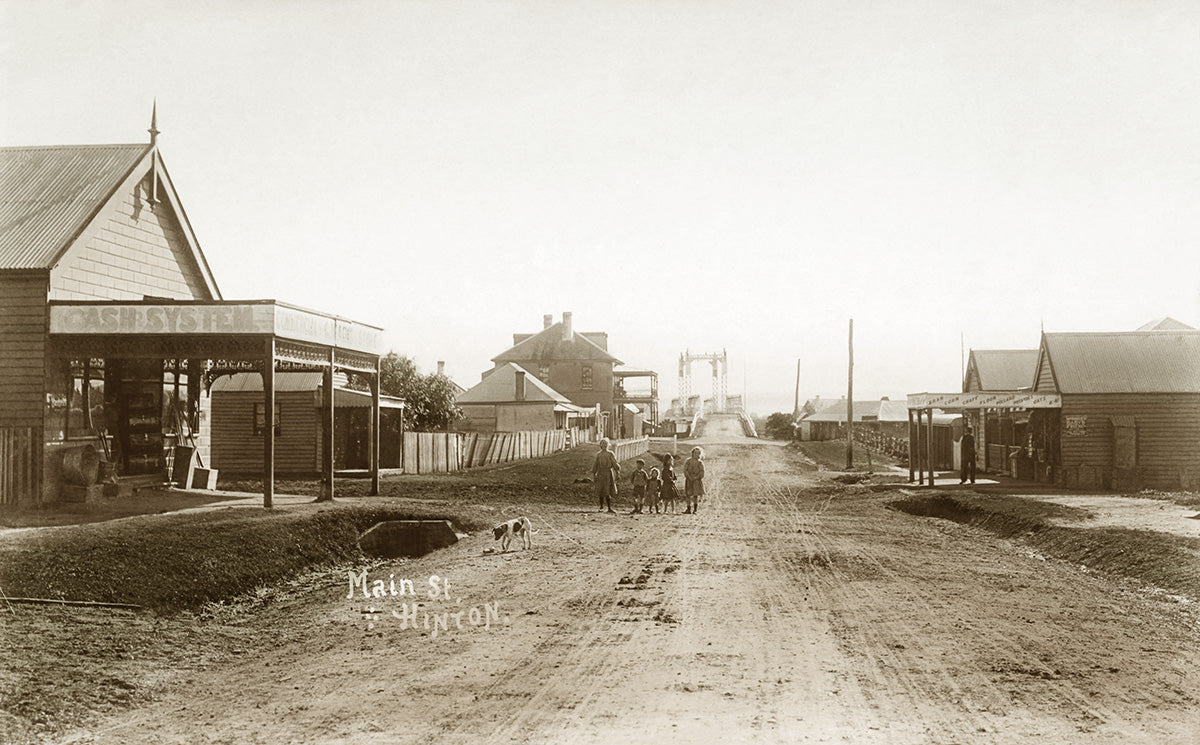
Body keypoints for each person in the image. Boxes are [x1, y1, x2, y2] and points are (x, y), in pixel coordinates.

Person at [592, 439, 620, 513]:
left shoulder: (610, 453)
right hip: (601, 473)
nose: (604, 445)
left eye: (605, 444)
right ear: (600, 445)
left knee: (607, 490)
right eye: (603, 444)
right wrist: (594, 474)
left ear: (608, 445)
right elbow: (596, 464)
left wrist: (617, 472)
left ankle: (609, 507)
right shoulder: (599, 454)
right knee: (601, 490)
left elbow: (614, 463)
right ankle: (601, 507)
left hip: (608, 473)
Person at [683, 446, 705, 514]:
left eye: (698, 453)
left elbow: (702, 472)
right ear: (692, 453)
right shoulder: (688, 461)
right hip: (689, 480)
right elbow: (685, 470)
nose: (696, 455)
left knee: (695, 495)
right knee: (688, 494)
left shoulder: (700, 463)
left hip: (696, 480)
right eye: (695, 453)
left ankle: (695, 509)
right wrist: (689, 477)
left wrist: (697, 477)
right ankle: (688, 508)